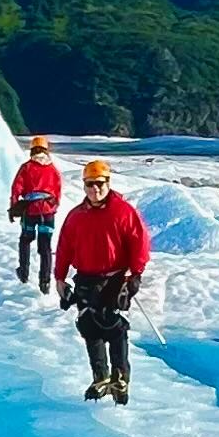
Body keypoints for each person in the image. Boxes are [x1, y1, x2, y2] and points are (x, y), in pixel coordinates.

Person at [54, 159, 150, 404]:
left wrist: (135, 275)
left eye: (99, 183)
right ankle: (100, 378)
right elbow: (64, 247)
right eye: (89, 184)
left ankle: (120, 378)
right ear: (84, 186)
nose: (94, 189)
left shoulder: (124, 212)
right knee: (88, 325)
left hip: (115, 278)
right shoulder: (76, 216)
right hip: (86, 277)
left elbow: (139, 243)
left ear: (107, 183)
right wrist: (59, 278)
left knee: (113, 325)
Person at [8, 134, 62, 293]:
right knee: (45, 247)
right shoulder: (53, 169)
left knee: (25, 240)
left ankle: (24, 272)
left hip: (30, 211)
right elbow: (57, 191)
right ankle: (44, 282)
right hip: (47, 211)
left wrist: (14, 207)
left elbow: (16, 189)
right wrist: (54, 207)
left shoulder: (26, 167)